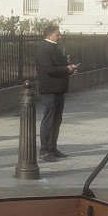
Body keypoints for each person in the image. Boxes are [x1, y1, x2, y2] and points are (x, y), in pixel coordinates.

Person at [35, 24, 79, 161]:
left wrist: (70, 68)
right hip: (50, 89)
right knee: (48, 120)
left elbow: (59, 66)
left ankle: (52, 147)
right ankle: (44, 150)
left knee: (56, 120)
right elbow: (47, 69)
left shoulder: (53, 48)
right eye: (57, 34)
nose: (59, 37)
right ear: (49, 35)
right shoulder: (44, 49)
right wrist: (67, 69)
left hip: (59, 89)